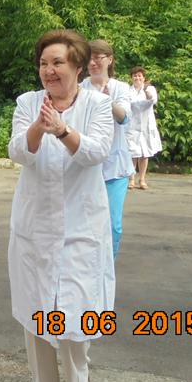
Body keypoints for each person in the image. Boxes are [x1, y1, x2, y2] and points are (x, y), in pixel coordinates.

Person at [8, 29, 114, 382]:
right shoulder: (28, 102)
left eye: (57, 63)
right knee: (38, 321)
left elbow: (97, 152)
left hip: (81, 229)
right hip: (35, 230)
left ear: (78, 67)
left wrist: (63, 129)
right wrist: (39, 127)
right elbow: (18, 152)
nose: (49, 70)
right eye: (43, 63)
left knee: (76, 325)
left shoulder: (97, 104)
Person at [81, 40, 133, 257]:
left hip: (114, 167)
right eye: (89, 58)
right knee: (84, 224)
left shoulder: (120, 87)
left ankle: (106, 269)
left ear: (109, 60)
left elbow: (124, 117)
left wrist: (106, 99)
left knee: (113, 225)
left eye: (98, 58)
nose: (92, 62)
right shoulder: (80, 86)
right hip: (85, 165)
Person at [127, 66, 162, 190]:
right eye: (135, 76)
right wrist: (143, 103)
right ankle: (131, 179)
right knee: (132, 153)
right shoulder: (128, 90)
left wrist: (147, 97)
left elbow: (152, 101)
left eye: (139, 76)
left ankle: (142, 179)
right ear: (131, 78)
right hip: (132, 125)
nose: (137, 78)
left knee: (144, 153)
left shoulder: (150, 88)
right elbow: (130, 105)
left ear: (143, 77)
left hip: (146, 125)